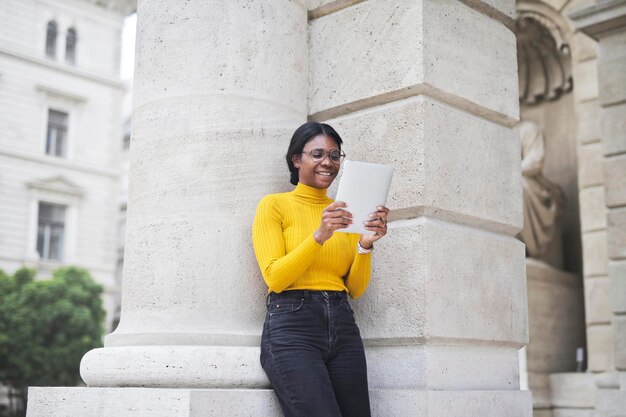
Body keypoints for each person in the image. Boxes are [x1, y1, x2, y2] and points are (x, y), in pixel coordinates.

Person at [252, 122, 389, 417]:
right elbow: (275, 277)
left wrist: (365, 245)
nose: (327, 162)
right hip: (292, 327)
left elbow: (355, 289)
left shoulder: (344, 213)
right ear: (296, 159)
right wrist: (319, 236)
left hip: (342, 325)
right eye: (317, 154)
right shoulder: (274, 206)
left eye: (334, 154)